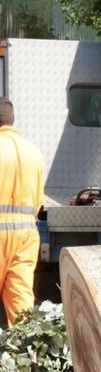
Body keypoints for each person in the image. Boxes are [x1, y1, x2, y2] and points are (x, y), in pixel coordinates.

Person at [0, 98, 45, 326]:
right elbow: (38, 200)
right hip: (26, 235)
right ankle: (25, 356)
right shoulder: (33, 152)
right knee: (20, 303)